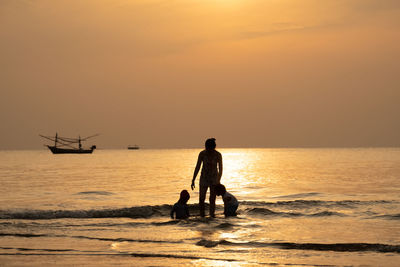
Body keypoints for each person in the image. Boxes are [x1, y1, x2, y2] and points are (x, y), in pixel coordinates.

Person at [191, 138, 223, 217]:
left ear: (213, 147)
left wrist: (218, 180)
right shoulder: (202, 154)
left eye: (210, 148)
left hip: (214, 179)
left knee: (212, 199)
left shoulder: (218, 155)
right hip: (204, 178)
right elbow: (198, 167)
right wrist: (193, 179)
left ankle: (212, 215)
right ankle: (202, 215)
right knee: (201, 199)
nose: (208, 150)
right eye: (207, 148)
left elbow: (221, 169)